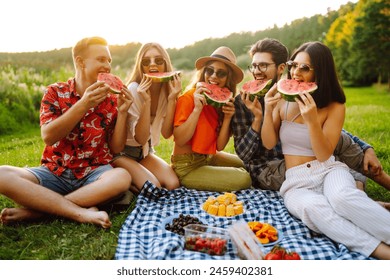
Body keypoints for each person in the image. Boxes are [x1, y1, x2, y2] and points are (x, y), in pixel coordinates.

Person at [261, 41, 390, 259]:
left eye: (305, 68)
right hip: (295, 182)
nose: (296, 72)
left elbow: (324, 154)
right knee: (315, 210)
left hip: (328, 170)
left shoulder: (335, 106)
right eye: (294, 65)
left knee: (342, 198)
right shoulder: (283, 100)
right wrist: (268, 108)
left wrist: (312, 121)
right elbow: (268, 142)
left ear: (321, 72)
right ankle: (382, 251)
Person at [231, 38, 390, 205]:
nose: (256, 71)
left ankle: (368, 183)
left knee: (339, 141)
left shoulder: (293, 93)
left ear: (281, 68)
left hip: (306, 153)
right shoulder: (242, 102)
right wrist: (259, 119)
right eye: (254, 66)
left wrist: (366, 148)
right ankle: (363, 196)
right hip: (273, 166)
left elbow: (326, 126)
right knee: (336, 175)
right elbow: (245, 155)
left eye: (263, 65)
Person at [0, 37, 133, 228]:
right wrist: (84, 104)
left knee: (122, 177)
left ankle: (37, 212)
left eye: (109, 61)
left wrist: (122, 112)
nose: (108, 65)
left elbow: (116, 147)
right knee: (2, 175)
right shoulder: (54, 92)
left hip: (94, 173)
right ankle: (79, 212)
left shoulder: (111, 99)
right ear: (80, 61)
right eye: (101, 59)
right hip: (55, 172)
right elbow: (49, 136)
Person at [171, 46, 251, 191]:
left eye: (221, 73)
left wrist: (227, 118)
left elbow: (219, 147)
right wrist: (197, 109)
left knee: (250, 165)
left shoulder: (220, 103)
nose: (213, 76)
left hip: (209, 157)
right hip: (187, 167)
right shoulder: (188, 98)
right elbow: (180, 139)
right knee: (244, 178)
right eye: (210, 70)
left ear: (228, 79)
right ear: (203, 72)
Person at [112, 42, 180, 193]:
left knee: (173, 184)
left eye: (158, 60)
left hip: (144, 153)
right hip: (123, 154)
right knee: (154, 187)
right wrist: (146, 102)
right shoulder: (134, 90)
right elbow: (141, 138)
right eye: (146, 61)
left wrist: (172, 99)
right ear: (140, 66)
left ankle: (135, 179)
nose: (152, 64)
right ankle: (127, 182)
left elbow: (166, 133)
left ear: (165, 64)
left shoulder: (167, 91)